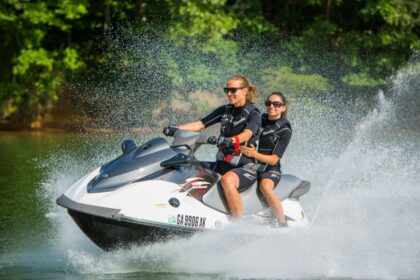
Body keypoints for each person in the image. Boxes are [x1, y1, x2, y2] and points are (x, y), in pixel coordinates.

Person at [163, 75, 261, 218]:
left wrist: (232, 140)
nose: (229, 93)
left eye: (233, 90)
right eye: (226, 90)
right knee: (187, 167)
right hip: (222, 165)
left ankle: (239, 225)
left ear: (245, 91)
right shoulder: (225, 110)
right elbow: (200, 124)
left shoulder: (254, 113)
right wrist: (176, 128)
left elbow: (247, 134)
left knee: (227, 180)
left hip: (244, 168)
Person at [240, 92, 291, 226]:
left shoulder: (285, 131)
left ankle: (282, 223)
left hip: (271, 169)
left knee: (265, 186)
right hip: (253, 165)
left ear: (283, 108)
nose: (272, 106)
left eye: (276, 104)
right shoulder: (259, 119)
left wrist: (253, 154)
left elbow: (274, 160)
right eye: (268, 103)